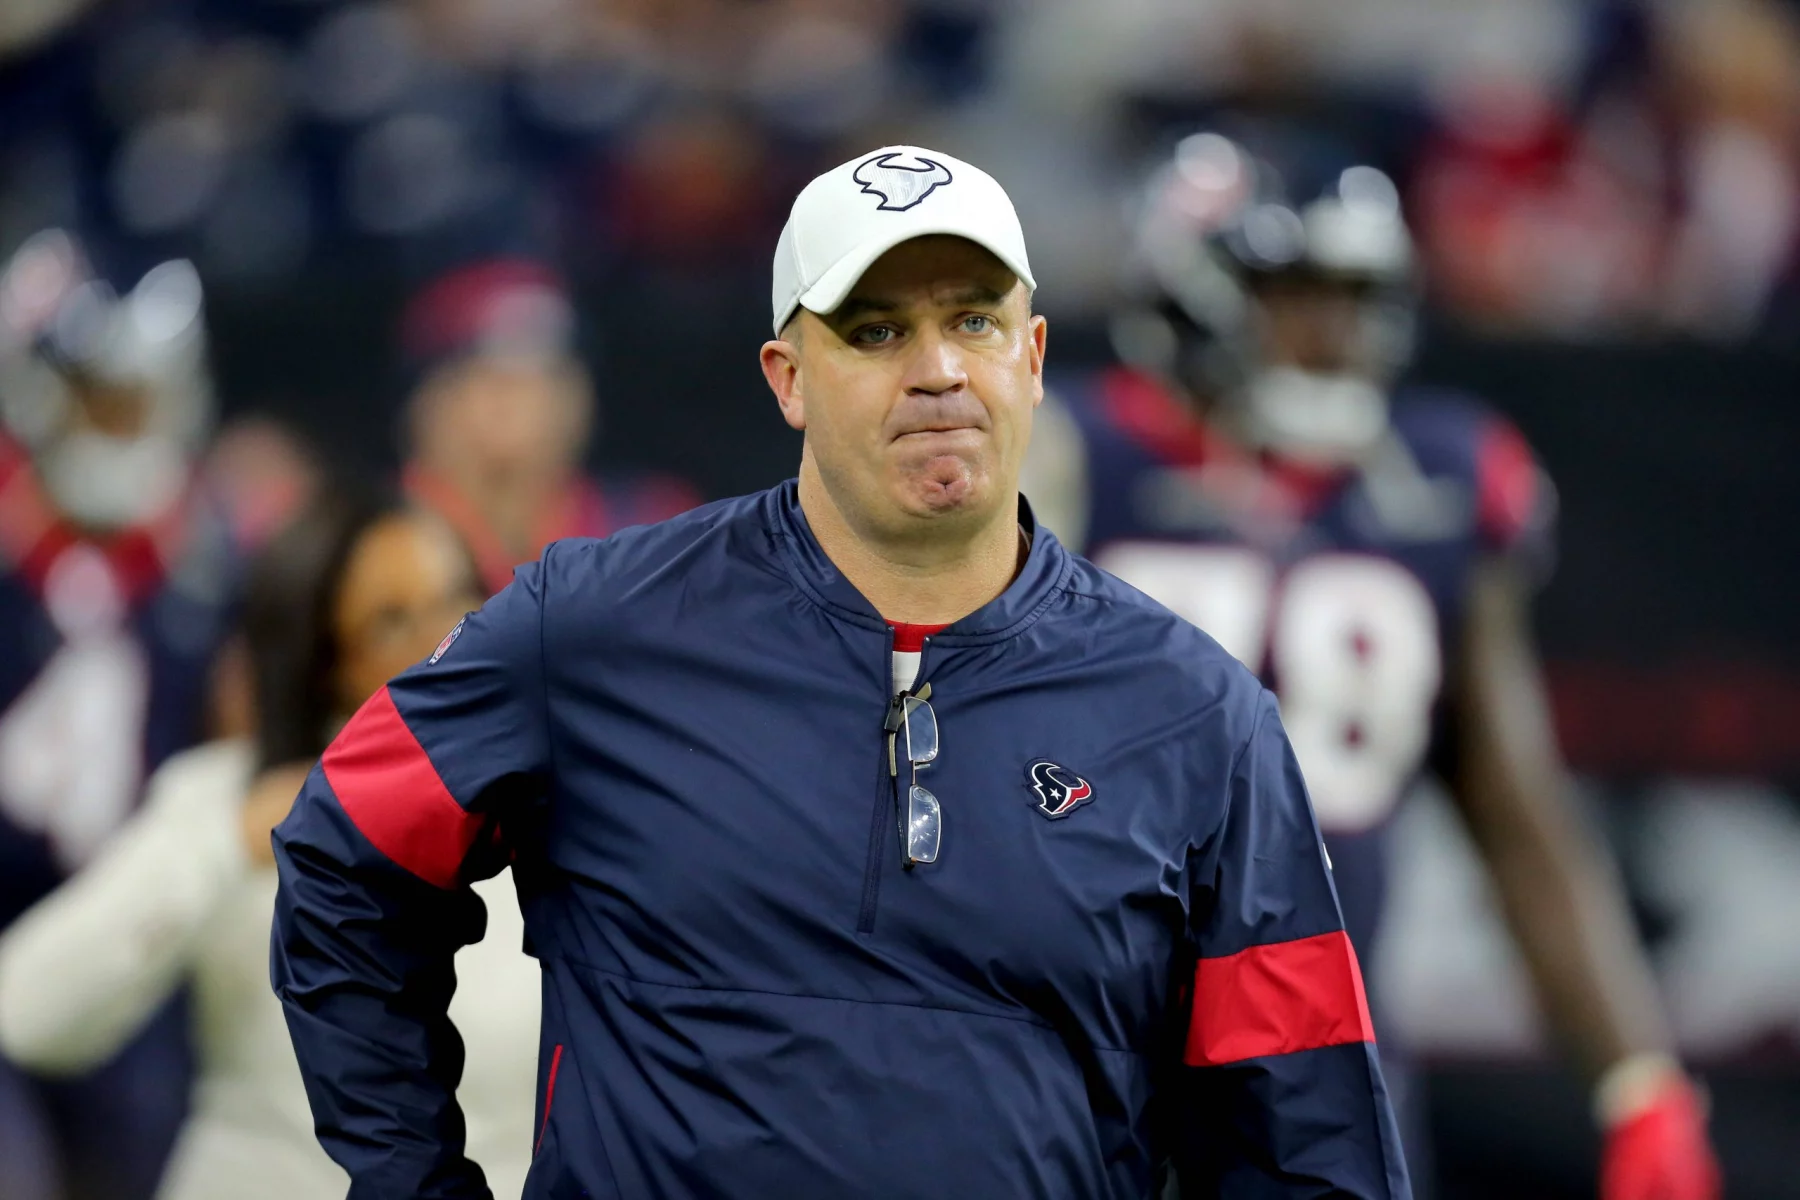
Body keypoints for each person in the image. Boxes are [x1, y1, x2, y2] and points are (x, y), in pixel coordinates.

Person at [271, 145, 1409, 1198]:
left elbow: (1306, 1126)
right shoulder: (590, 630)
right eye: (873, 332)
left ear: (1034, 354)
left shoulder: (1196, 714)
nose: (936, 372)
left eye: (973, 320)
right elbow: (342, 856)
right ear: (787, 376)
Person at [1021, 132, 1721, 1199]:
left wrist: (1639, 1080)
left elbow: (1515, 805)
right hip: (1079, 1065)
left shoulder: (1433, 486)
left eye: (1357, 295)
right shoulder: (1063, 458)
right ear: (1190, 287)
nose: (1334, 332)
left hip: (1325, 1079)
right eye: (1300, 293)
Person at [0, 490, 542, 1199]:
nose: (445, 638)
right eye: (389, 621)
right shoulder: (227, 800)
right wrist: (223, 846)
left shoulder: (551, 803)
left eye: (459, 596)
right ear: (321, 663)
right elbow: (29, 1013)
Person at [0, 230, 235, 1200]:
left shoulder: (209, 566)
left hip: (144, 944)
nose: (120, 427)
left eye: (136, 402)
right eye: (101, 401)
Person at [399, 257, 700, 594]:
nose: (519, 398)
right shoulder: (375, 542)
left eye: (548, 374)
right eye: (481, 373)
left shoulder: (651, 529)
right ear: (427, 401)